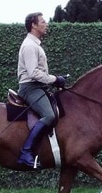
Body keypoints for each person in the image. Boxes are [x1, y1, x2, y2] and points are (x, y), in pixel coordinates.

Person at [17, 12, 67, 169]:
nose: (46, 24)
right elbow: (33, 73)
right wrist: (55, 79)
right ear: (34, 25)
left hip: (38, 87)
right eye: (43, 22)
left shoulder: (34, 44)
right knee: (49, 115)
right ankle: (25, 152)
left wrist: (55, 80)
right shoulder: (30, 46)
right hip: (30, 88)